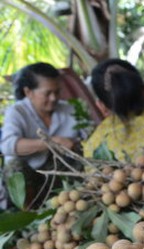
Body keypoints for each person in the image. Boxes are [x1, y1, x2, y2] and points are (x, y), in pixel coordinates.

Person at [0, 62, 83, 209]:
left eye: (57, 92)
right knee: (13, 165)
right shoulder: (17, 112)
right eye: (47, 93)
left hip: (58, 177)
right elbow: (7, 146)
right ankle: (27, 214)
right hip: (29, 177)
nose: (53, 98)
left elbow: (88, 137)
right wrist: (51, 142)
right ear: (28, 92)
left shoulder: (70, 109)